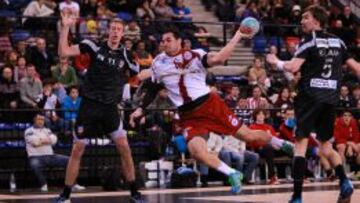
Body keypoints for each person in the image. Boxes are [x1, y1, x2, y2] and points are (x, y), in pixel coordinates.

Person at [130, 27, 293, 194]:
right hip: (189, 116)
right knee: (197, 152)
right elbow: (153, 88)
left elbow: (221, 58)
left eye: (168, 40)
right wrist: (141, 109)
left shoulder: (194, 55)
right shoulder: (158, 62)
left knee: (247, 135)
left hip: (210, 106)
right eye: (162, 40)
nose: (164, 43)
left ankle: (282, 143)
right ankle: (232, 173)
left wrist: (237, 35)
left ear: (179, 41)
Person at [266, 5, 360, 203]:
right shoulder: (339, 41)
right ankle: (344, 182)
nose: (302, 21)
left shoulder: (308, 42)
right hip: (330, 99)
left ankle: (298, 197)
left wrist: (276, 61)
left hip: (309, 98)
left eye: (306, 18)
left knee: (300, 146)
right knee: (326, 146)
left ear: (317, 21)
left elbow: (292, 67)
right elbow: (357, 69)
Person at [54, 13, 144, 203]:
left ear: (123, 34)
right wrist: (65, 27)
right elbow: (64, 51)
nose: (115, 32)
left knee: (124, 147)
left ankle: (134, 192)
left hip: (110, 108)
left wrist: (163, 69)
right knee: (78, 148)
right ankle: (65, 194)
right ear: (108, 31)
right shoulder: (93, 46)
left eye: (119, 30)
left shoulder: (126, 55)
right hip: (90, 106)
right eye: (112, 29)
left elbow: (140, 74)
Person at [25, 113, 84, 192]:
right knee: (35, 164)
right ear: (34, 120)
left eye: (42, 119)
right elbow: (35, 142)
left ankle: (72, 184)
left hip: (50, 156)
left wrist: (41, 140)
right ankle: (43, 185)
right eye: (39, 119)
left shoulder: (47, 130)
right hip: (35, 156)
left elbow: (54, 140)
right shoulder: (28, 131)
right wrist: (47, 140)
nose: (41, 121)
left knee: (70, 161)